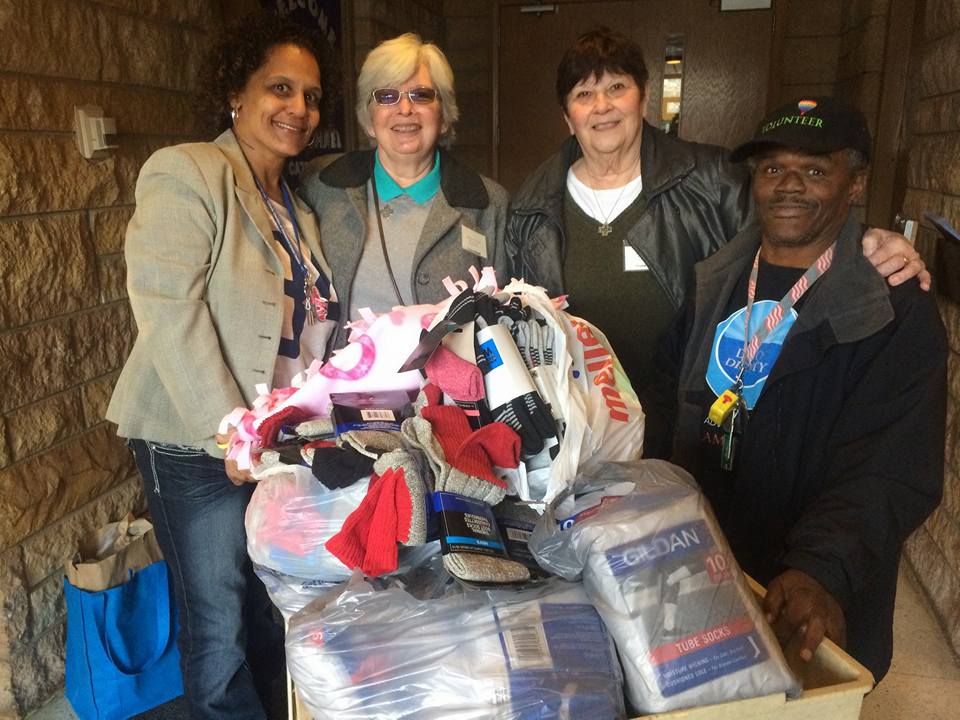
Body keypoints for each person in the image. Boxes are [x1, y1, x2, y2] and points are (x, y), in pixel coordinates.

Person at [646, 97, 946, 682]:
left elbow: (889, 468)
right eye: (772, 168)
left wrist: (821, 569)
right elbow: (663, 397)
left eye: (814, 171)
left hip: (803, 595)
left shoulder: (894, 309)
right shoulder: (715, 278)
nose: (788, 186)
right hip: (701, 572)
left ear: (854, 183)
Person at [106, 13, 338, 719]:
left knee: (269, 606)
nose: (298, 108)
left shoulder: (296, 208)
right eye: (279, 89)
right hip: (195, 441)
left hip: (271, 445)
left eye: (311, 95)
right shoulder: (191, 170)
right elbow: (169, 307)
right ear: (235, 93)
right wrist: (231, 429)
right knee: (218, 621)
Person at [505, 28, 927, 414]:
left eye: (617, 87)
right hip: (580, 417)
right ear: (567, 115)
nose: (602, 107)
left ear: (644, 95)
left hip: (689, 408)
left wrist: (866, 241)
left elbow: (796, 233)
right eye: (584, 94)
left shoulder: (713, 179)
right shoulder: (530, 205)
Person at [298, 33, 510, 342]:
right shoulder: (322, 187)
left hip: (450, 389)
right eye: (387, 96)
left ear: (445, 115)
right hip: (343, 386)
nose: (405, 109)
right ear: (369, 119)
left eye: (421, 95)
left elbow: (500, 318)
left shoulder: (489, 203)